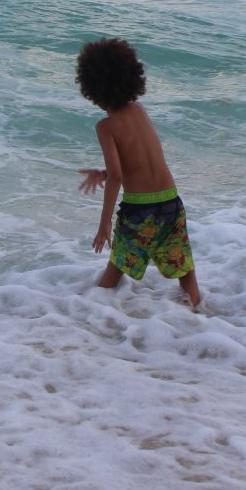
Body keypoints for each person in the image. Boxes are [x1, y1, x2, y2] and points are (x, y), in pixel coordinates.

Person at [75, 38, 201, 308]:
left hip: (139, 210)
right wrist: (104, 172)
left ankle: (94, 314)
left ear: (92, 89)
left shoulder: (105, 127)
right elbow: (137, 163)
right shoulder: (139, 110)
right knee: (183, 265)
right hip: (171, 202)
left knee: (117, 263)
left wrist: (104, 223)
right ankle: (197, 311)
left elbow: (120, 176)